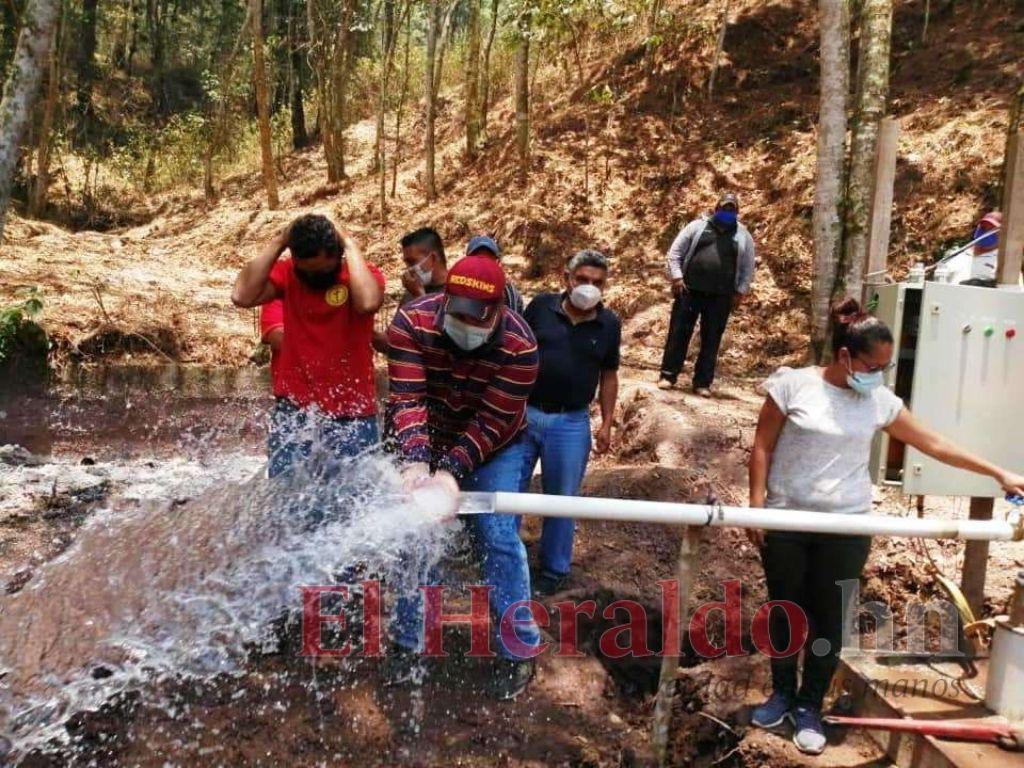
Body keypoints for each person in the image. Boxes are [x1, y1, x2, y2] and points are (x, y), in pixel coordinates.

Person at [747, 298, 1024, 755]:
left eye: (886, 366)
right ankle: (781, 694)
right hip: (786, 519)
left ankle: (809, 705)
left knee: (829, 619)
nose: (880, 374)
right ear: (844, 357)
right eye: (874, 365)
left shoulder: (879, 400)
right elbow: (762, 446)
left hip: (848, 525)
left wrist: (997, 472)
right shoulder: (793, 386)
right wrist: (756, 507)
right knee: (785, 610)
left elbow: (935, 444)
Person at [385, 253, 540, 700]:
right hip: (424, 436)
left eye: (476, 317)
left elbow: (491, 422)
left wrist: (451, 474)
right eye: (456, 311)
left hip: (494, 446)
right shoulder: (412, 323)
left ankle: (518, 648)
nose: (463, 322)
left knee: (496, 535)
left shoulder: (521, 348)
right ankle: (410, 640)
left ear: (498, 311)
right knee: (415, 534)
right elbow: (407, 397)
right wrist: (417, 466)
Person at [231, 214, 386, 477]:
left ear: (338, 256)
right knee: (287, 505)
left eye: (324, 271)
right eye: (307, 272)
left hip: (353, 416)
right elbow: (241, 295)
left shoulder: (360, 275)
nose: (315, 278)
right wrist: (280, 241)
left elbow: (368, 302)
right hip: (295, 413)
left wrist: (348, 242)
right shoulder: (288, 274)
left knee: (358, 508)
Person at [519, 250, 621, 594]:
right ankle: (503, 557)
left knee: (563, 499)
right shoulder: (539, 308)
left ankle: (554, 570)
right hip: (525, 415)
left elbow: (609, 375)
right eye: (583, 279)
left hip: (571, 422)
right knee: (510, 489)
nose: (589, 287)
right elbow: (513, 352)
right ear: (567, 278)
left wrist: (607, 423)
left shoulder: (609, 325)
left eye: (597, 282)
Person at [658, 192, 755, 396]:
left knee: (712, 339)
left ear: (737, 212)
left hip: (721, 296)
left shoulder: (743, 235)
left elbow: (747, 267)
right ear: (716, 208)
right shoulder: (697, 227)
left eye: (732, 209)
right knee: (679, 333)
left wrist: (740, 291)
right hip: (689, 290)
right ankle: (668, 375)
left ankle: (702, 383)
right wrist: (676, 277)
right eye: (725, 208)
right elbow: (675, 254)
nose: (728, 212)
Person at [464, 234, 526, 315]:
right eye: (478, 259)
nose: (484, 265)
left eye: (489, 260)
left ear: (498, 263)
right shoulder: (458, 289)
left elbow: (514, 322)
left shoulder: (510, 294)